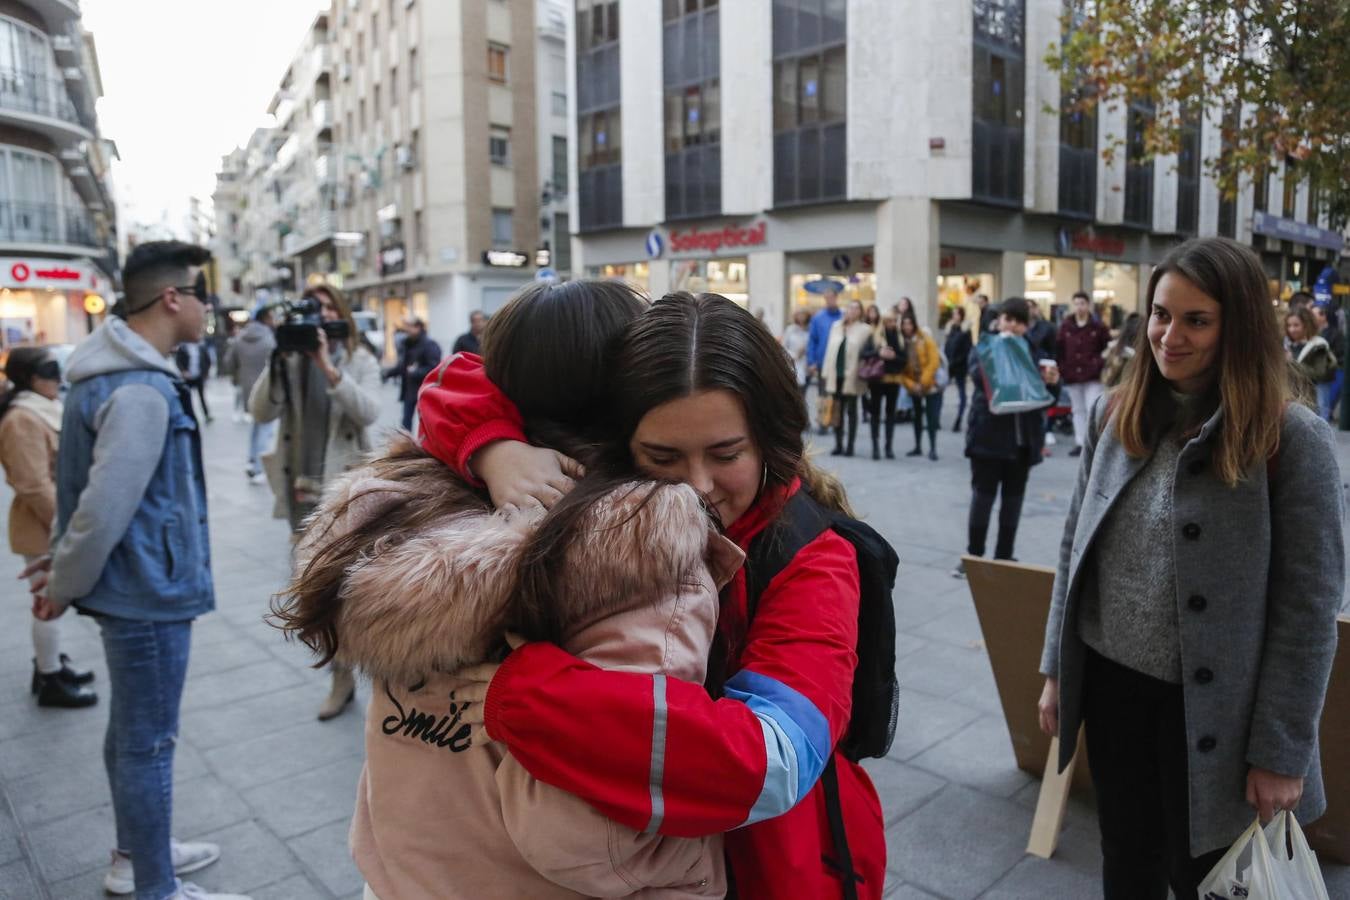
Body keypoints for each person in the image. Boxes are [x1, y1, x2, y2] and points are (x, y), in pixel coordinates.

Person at [411, 292, 888, 899]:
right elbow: (465, 377)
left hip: (774, 865)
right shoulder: (620, 502)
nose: (698, 486)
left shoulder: (814, 559)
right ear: (612, 438)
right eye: (662, 457)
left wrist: (534, 696)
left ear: (769, 438)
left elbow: (775, 760)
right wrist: (496, 447)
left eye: (726, 455)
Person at [272, 280, 737, 899]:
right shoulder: (641, 550)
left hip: (401, 871)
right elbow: (591, 841)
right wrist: (693, 855)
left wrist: (487, 445)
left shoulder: (401, 510)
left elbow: (450, 381)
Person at [1037, 237, 1344, 900]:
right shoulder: (1115, 412)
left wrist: (1281, 752)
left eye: (1195, 320)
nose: (1169, 336)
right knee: (1125, 861)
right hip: (1114, 690)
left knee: (1205, 877)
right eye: (1159, 314)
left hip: (1219, 716)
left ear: (1237, 326)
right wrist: (1059, 671)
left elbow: (1309, 608)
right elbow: (1074, 548)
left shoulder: (1291, 440)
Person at [29, 241, 249, 900]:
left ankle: (139, 850)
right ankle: (155, 884)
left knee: (132, 735)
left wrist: (62, 569)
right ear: (172, 299)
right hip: (148, 590)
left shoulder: (105, 374)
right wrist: (62, 586)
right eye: (200, 294)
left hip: (134, 584)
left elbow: (82, 493)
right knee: (148, 742)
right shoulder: (142, 389)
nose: (210, 308)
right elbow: (101, 508)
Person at [249, 283, 381, 722]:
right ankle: (341, 678)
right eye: (310, 310)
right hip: (299, 492)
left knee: (349, 591)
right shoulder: (287, 361)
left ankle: (371, 669)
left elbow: (369, 412)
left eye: (326, 309)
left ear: (339, 314)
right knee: (319, 596)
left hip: (344, 494)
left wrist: (327, 367)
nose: (317, 318)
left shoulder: (359, 360)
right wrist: (278, 359)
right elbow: (260, 412)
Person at [0, 347, 96, 707]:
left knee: (53, 601)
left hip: (53, 520)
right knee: (46, 601)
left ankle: (51, 664)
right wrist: (67, 527)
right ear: (29, 377)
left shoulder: (42, 407)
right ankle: (49, 675)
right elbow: (32, 484)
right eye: (47, 371)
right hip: (42, 524)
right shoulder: (22, 418)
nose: (56, 378)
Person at [954, 298, 1060, 577]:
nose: (1012, 325)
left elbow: (1045, 399)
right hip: (987, 439)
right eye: (1007, 319)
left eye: (1018, 321)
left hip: (1023, 442)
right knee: (983, 498)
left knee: (1013, 501)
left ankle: (1004, 556)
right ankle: (974, 556)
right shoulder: (986, 347)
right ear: (998, 320)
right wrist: (1004, 355)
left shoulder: (1035, 352)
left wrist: (1052, 381)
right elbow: (978, 376)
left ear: (1026, 325)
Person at [223, 306, 276, 484]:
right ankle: (258, 468)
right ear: (266, 318)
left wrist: (240, 375)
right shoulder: (270, 339)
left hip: (247, 389)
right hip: (267, 390)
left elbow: (228, 363)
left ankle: (252, 461)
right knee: (265, 430)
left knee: (256, 427)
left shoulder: (239, 338)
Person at [1056, 290, 1112, 457]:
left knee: (1092, 408)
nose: (1079, 307)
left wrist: (1099, 363)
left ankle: (1093, 443)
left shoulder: (1098, 327)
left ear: (1088, 305)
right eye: (1077, 303)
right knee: (1078, 410)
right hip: (1072, 374)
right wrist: (1063, 367)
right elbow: (1059, 349)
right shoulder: (1066, 326)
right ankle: (1080, 442)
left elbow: (1108, 348)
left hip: (1092, 375)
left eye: (1082, 303)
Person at [823, 299, 873, 457]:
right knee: (836, 410)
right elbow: (829, 350)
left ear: (860, 312)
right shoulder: (836, 326)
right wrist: (825, 372)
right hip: (835, 374)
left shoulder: (865, 330)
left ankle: (850, 446)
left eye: (856, 308)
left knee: (851, 411)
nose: (852, 310)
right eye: (850, 307)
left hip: (852, 376)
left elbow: (867, 353)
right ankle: (838, 444)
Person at [898, 313, 943, 460]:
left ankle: (933, 448)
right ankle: (917, 446)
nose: (907, 327)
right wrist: (912, 385)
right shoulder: (901, 342)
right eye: (904, 324)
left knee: (931, 417)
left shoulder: (925, 339)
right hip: (914, 386)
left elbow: (934, 361)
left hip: (930, 384)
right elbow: (901, 371)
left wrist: (923, 382)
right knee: (917, 417)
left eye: (909, 323)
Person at [386, 315, 442, 431]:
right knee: (406, 423)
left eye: (410, 326)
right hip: (409, 390)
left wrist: (415, 372)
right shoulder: (407, 343)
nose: (407, 329)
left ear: (419, 327)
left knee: (427, 423)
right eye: (406, 326)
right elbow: (403, 366)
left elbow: (435, 368)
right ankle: (406, 447)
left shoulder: (429, 345)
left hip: (425, 390)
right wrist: (387, 373)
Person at [862, 311, 904, 458]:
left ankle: (888, 447)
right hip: (877, 379)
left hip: (894, 380)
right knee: (875, 413)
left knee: (890, 414)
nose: (892, 323)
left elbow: (905, 359)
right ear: (884, 321)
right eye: (889, 321)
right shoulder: (874, 335)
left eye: (894, 321)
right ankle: (875, 447)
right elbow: (864, 354)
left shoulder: (900, 337)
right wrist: (878, 353)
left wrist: (894, 357)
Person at [805, 287, 842, 433]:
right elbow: (812, 341)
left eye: (831, 297)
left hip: (838, 363)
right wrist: (811, 361)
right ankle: (822, 422)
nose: (829, 300)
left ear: (836, 298)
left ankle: (836, 421)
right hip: (822, 362)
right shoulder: (818, 318)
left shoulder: (843, 316)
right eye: (826, 298)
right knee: (822, 394)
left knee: (837, 394)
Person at [1308, 304, 1342, 422]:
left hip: (1324, 376)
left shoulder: (1334, 333)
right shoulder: (1311, 332)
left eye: (1314, 314)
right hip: (1310, 375)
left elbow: (1338, 355)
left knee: (1323, 406)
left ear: (1323, 316)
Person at [945, 306, 973, 432]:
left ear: (961, 315)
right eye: (953, 314)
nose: (954, 316)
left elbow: (967, 350)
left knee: (961, 392)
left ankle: (959, 419)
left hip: (960, 366)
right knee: (939, 390)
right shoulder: (950, 328)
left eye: (956, 313)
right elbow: (947, 346)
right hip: (949, 365)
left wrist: (956, 362)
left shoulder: (965, 330)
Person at [175, 333, 213, 423]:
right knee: (187, 397)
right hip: (188, 377)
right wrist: (183, 371)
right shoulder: (183, 347)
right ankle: (189, 416)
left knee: (202, 397)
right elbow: (178, 360)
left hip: (199, 376)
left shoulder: (201, 347)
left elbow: (207, 360)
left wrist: (206, 372)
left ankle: (206, 415)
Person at [1100, 312, 1142, 389]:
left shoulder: (1116, 347)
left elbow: (1106, 375)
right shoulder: (1138, 354)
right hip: (1128, 392)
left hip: (1113, 391)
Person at [782, 308, 812, 396]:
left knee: (803, 392)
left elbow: (813, 345)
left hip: (806, 364)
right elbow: (783, 347)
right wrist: (794, 355)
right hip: (792, 363)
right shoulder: (790, 329)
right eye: (799, 314)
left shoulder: (811, 329)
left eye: (803, 314)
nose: (801, 317)